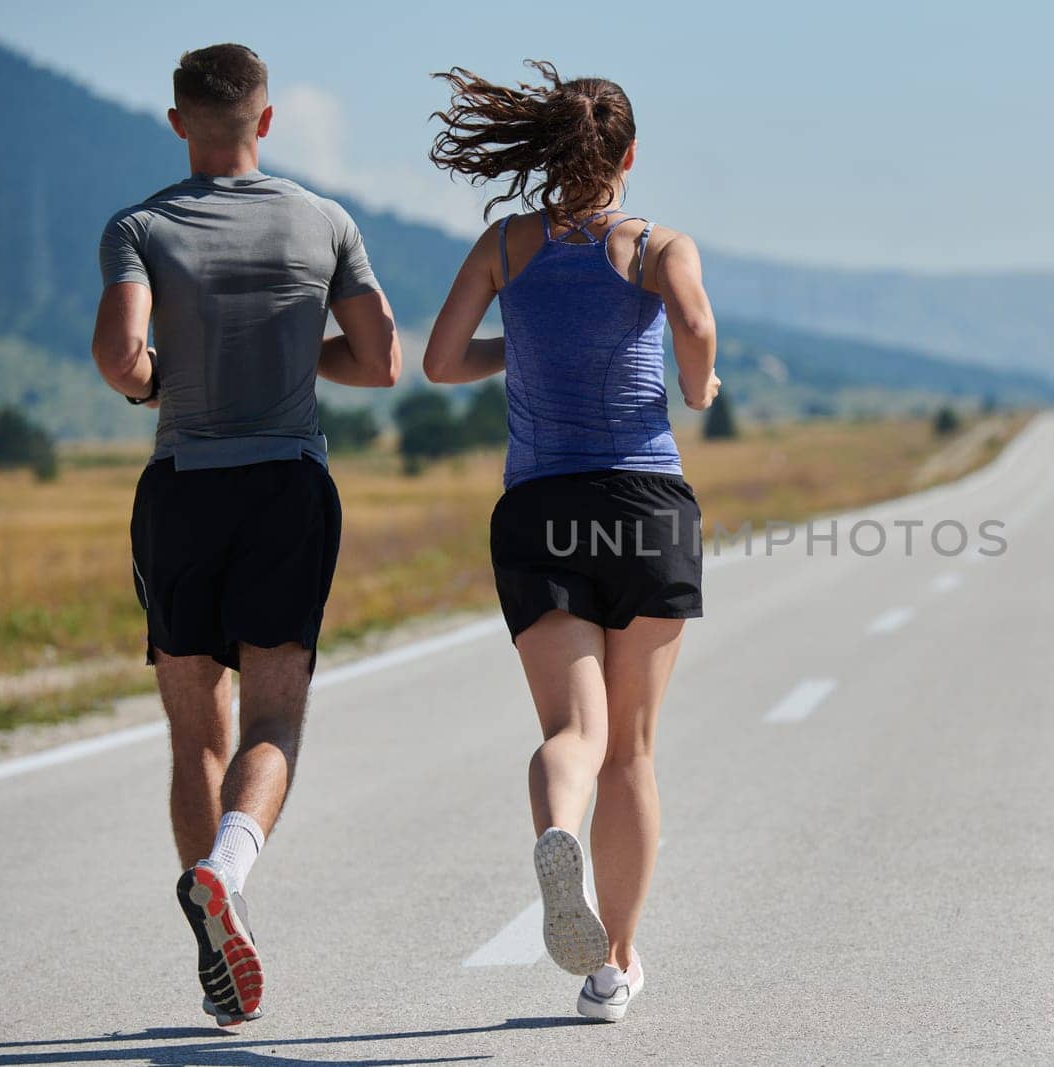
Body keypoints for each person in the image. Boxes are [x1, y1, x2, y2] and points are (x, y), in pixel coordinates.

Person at [92, 43, 402, 1027]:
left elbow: (119, 357)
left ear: (178, 120)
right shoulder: (325, 220)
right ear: (266, 122)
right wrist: (284, 353)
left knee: (196, 729)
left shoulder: (139, 225)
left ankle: (211, 934)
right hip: (287, 488)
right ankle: (228, 865)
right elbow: (381, 357)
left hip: (182, 486)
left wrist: (160, 375)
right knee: (274, 715)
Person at [424, 60, 720, 1022]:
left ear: (548, 155)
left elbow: (437, 361)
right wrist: (699, 382)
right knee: (632, 751)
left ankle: (559, 833)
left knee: (573, 733)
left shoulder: (505, 247)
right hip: (643, 504)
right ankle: (614, 967)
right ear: (630, 154)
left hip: (539, 508)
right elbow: (696, 324)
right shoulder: (657, 243)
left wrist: (528, 345)